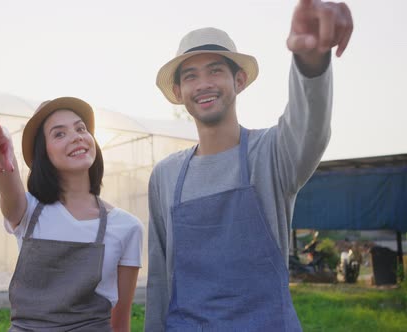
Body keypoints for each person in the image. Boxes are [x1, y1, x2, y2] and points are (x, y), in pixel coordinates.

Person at [145, 0, 353, 330]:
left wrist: (310, 59)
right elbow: (158, 278)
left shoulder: (271, 153)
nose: (203, 84)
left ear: (239, 81)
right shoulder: (165, 176)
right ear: (179, 90)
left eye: (215, 70)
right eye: (191, 76)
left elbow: (310, 125)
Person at [0, 97, 143, 331]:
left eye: (81, 128)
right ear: (44, 153)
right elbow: (8, 183)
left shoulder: (127, 227)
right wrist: (4, 153)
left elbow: (120, 322)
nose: (76, 136)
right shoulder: (27, 210)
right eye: (59, 134)